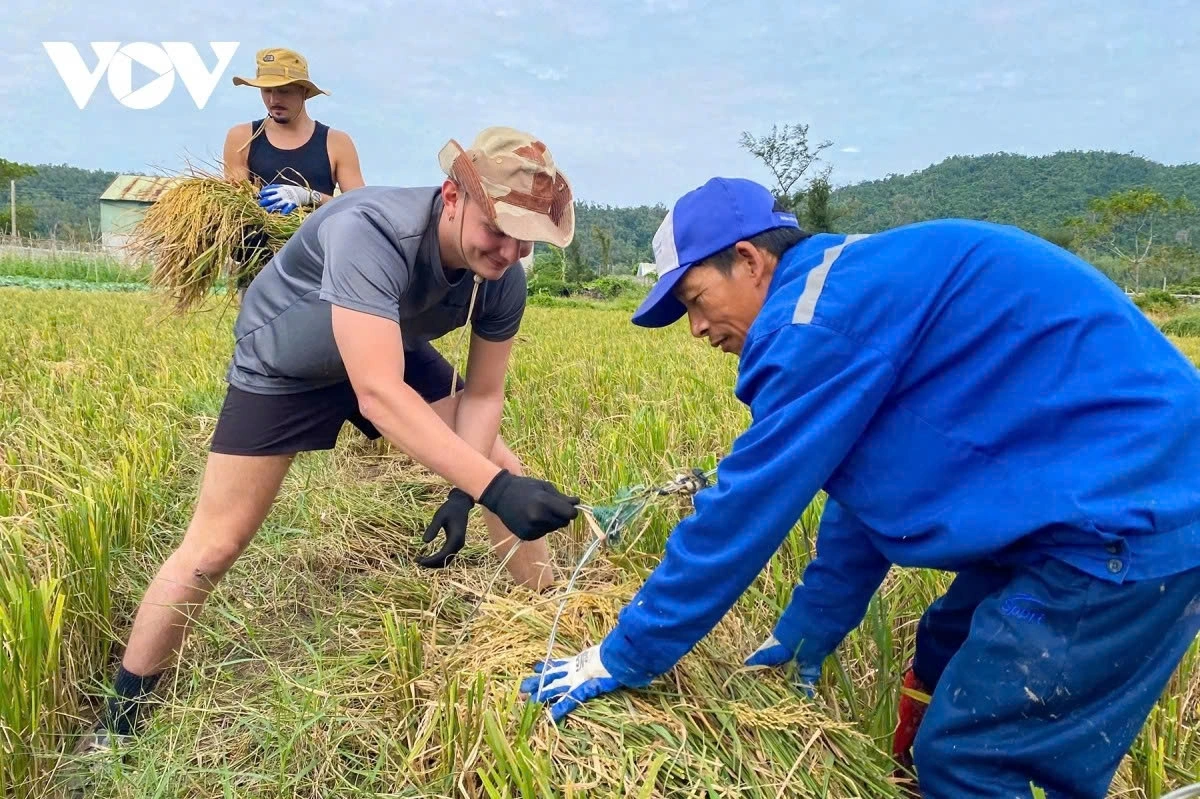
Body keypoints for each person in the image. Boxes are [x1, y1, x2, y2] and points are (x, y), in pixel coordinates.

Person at [520, 177, 1200, 799]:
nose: (697, 329)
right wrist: (811, 626)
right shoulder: (847, 285)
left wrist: (625, 650)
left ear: (751, 261)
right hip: (1096, 495)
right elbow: (865, 484)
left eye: (695, 300)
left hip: (1128, 516)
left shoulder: (815, 321)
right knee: (945, 645)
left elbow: (742, 508)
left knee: (975, 756)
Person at [73, 126, 581, 762]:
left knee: (500, 464)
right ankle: (121, 719)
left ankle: (560, 634)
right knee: (213, 547)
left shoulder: (502, 277)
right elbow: (378, 395)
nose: (508, 250)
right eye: (496, 229)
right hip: (287, 361)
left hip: (383, 345)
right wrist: (491, 487)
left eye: (524, 238)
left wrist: (470, 486)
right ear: (452, 196)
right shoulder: (372, 229)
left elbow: (480, 396)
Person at [222, 47, 366, 292]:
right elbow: (236, 206)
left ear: (304, 91)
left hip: (318, 270)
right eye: (267, 91)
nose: (273, 100)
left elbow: (361, 208)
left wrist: (309, 196)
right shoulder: (243, 138)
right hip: (259, 271)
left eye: (284, 91)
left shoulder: (336, 142)